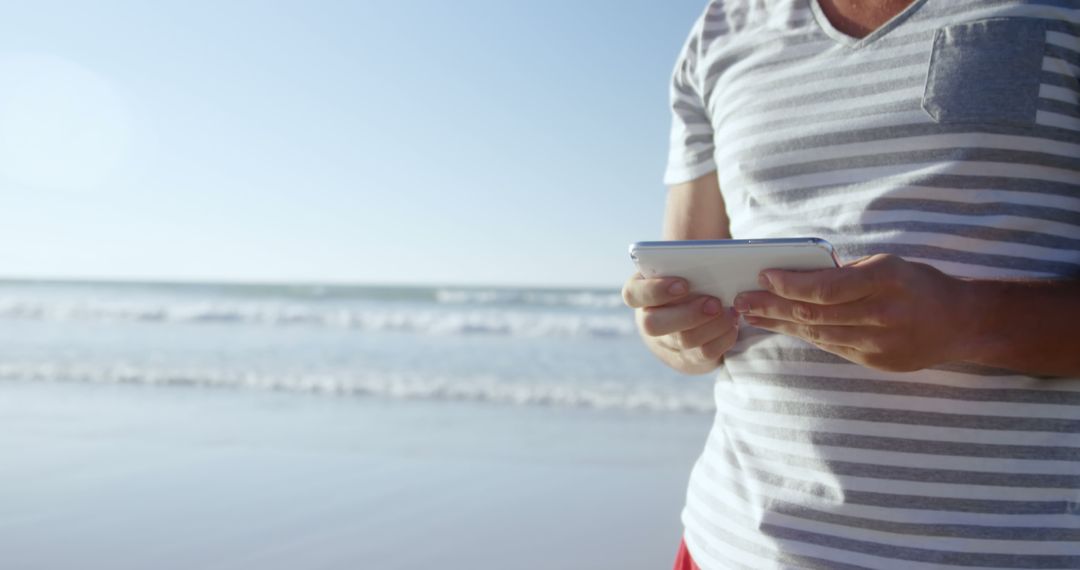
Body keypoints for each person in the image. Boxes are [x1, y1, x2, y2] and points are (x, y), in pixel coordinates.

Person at [621, 0, 1080, 568]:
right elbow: (684, 290)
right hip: (731, 544)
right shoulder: (721, 27)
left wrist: (971, 322)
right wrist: (674, 333)